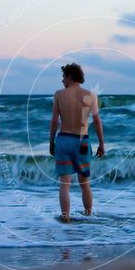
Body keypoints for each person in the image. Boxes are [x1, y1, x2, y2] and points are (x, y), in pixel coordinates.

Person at [49, 63, 105, 222]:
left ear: (70, 76)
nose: (62, 81)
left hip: (64, 140)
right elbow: (97, 121)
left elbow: (54, 121)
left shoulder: (59, 95)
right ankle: (88, 216)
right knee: (85, 183)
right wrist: (102, 143)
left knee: (64, 184)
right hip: (82, 142)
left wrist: (51, 142)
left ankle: (65, 218)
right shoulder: (91, 95)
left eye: (63, 77)